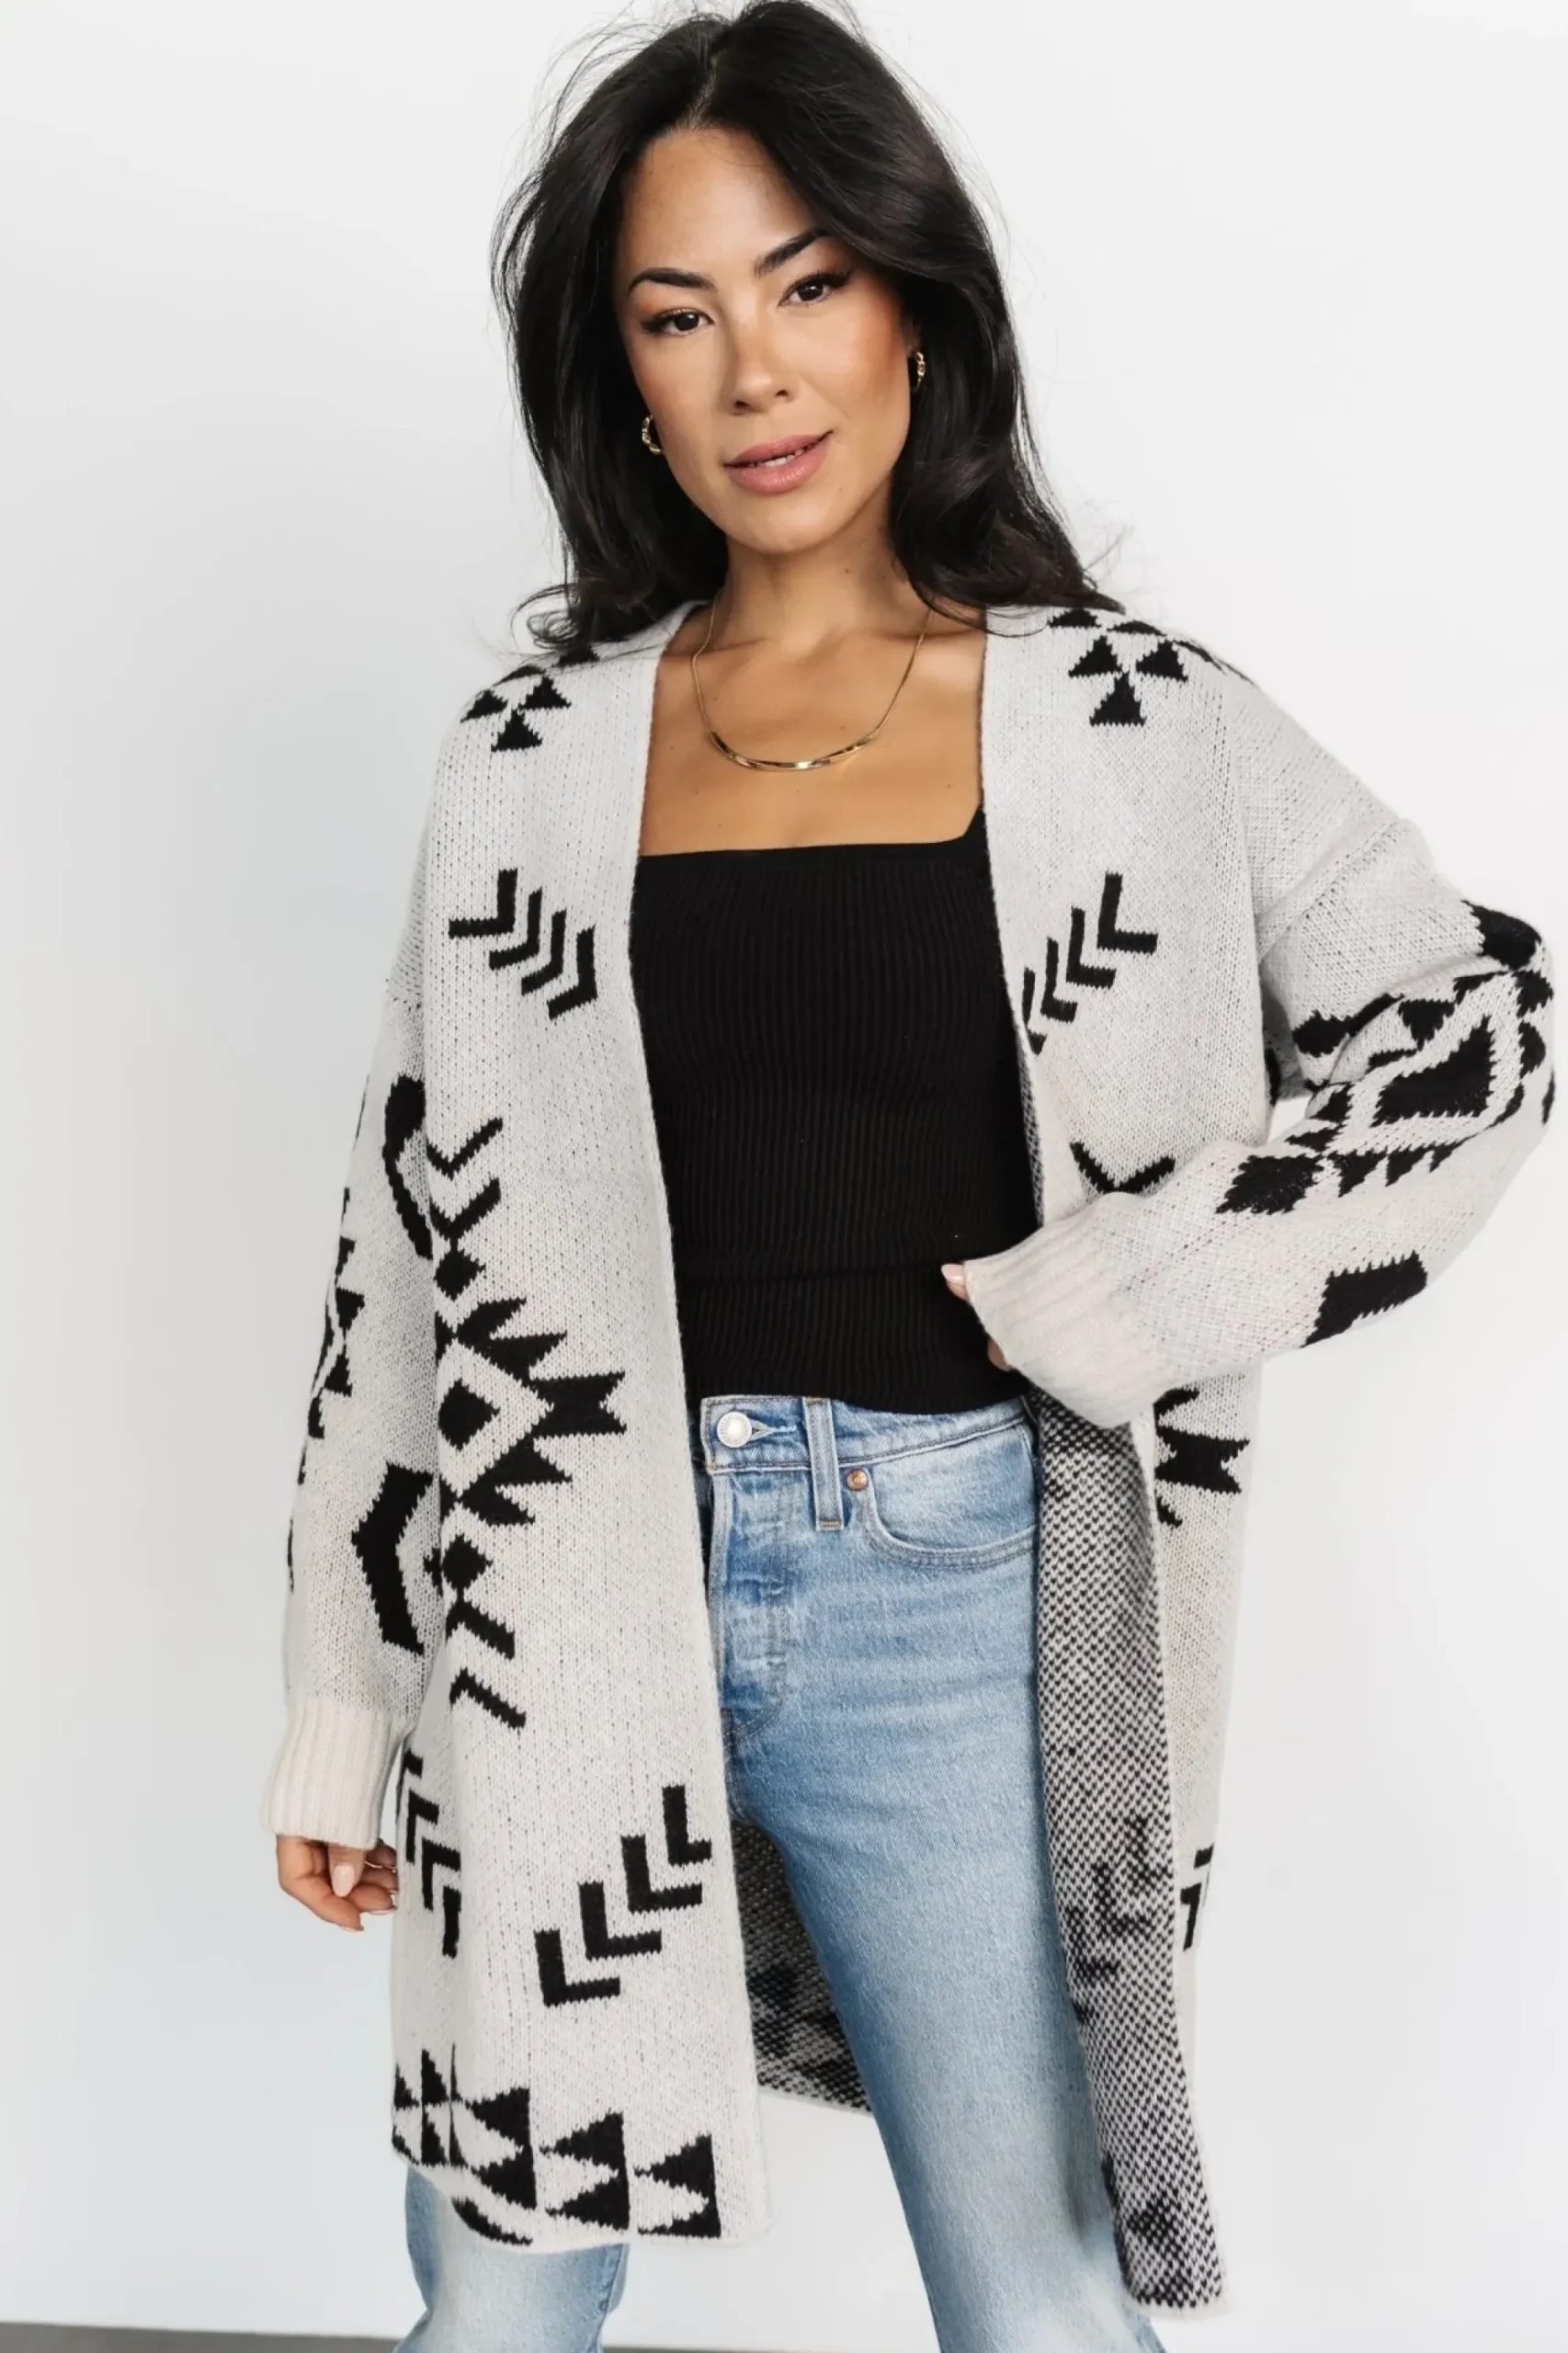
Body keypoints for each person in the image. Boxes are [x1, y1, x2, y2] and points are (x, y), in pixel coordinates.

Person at [261, 5, 1554, 2348]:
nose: (755, 367)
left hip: (955, 1589)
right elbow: (404, 1243)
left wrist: (1134, 1291)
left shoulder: (1133, 722)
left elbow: (1475, 1027)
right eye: (678, 314)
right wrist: (346, 1697)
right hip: (563, 1586)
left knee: (1035, 2298)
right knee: (495, 2305)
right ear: (623, 380)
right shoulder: (526, 760)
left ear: (916, 306)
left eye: (808, 282)